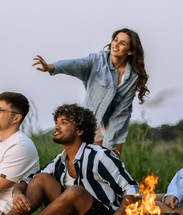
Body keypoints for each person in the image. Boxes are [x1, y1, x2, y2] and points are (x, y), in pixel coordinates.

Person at [0, 103, 140, 215]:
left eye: (64, 122)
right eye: (56, 122)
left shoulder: (99, 155)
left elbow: (132, 189)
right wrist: (17, 192)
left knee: (75, 191)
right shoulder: (59, 161)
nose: (56, 126)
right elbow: (29, 179)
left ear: (79, 131)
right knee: (41, 179)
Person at [32, 28, 150, 157]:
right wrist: (52, 67)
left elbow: (122, 110)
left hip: (116, 122)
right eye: (115, 40)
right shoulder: (97, 60)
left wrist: (109, 145)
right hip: (93, 118)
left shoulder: (133, 76)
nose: (116, 44)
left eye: (122, 43)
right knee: (86, 159)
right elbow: (77, 64)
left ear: (131, 51)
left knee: (110, 161)